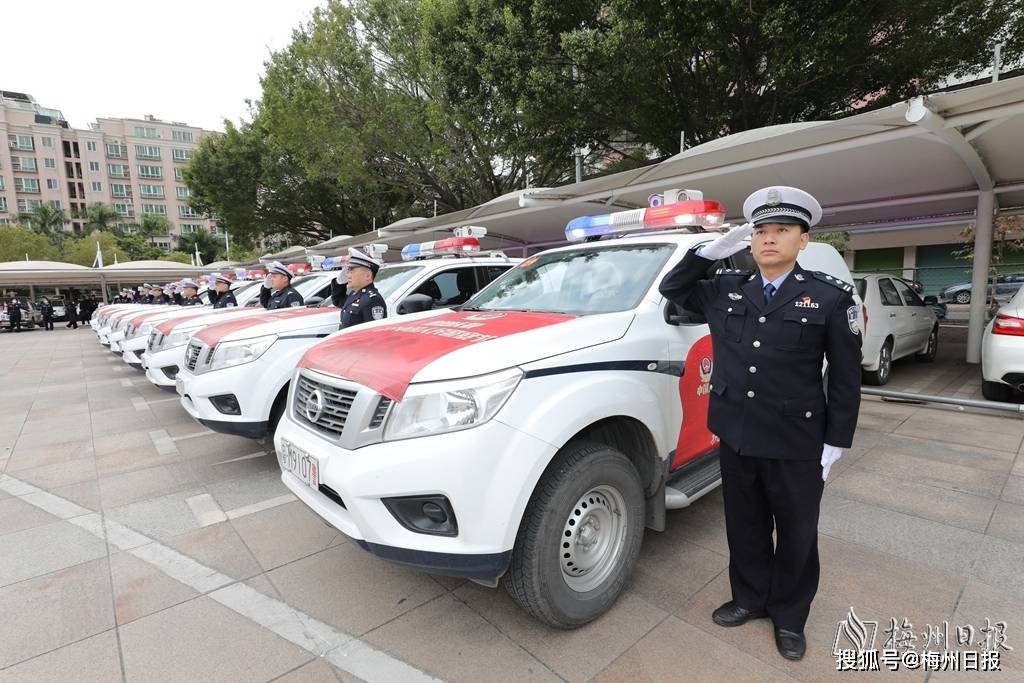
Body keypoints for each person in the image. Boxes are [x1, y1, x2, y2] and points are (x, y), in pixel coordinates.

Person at [659, 186, 862, 661]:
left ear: (802, 240)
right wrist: (708, 253)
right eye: (761, 232)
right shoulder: (727, 289)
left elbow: (847, 379)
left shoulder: (828, 297)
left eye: (782, 231)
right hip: (736, 433)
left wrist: (836, 441)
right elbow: (673, 289)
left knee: (796, 532)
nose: (769, 239)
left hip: (796, 439)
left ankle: (790, 616)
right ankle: (749, 598)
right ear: (749, 241)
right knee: (745, 526)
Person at [332, 247, 387, 329]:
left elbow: (374, 335)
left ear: (367, 275)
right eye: (348, 271)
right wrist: (339, 282)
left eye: (352, 271)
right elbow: (337, 300)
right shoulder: (355, 294)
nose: (348, 275)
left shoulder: (373, 300)